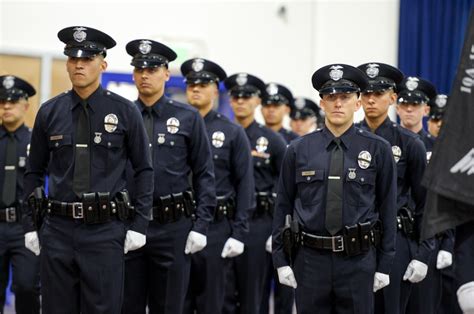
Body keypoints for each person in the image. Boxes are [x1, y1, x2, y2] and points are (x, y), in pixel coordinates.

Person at [23, 26, 153, 313]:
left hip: (104, 231)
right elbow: (33, 172)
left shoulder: (124, 111)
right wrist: (30, 225)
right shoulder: (50, 111)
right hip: (57, 229)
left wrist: (139, 224)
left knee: (102, 308)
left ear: (103, 64)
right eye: (73, 59)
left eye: (87, 59)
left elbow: (144, 169)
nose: (79, 65)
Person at [273, 63, 397, 314]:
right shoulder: (298, 150)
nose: (338, 103)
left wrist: (384, 264)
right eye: (331, 97)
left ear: (358, 102)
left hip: (358, 260)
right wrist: (280, 260)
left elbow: (388, 209)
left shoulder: (378, 149)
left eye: (345, 96)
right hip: (309, 260)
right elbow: (283, 206)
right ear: (322, 104)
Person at [122, 40, 216, 314]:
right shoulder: (122, 115)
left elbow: (204, 174)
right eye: (139, 69)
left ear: (166, 73)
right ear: (133, 74)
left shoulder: (187, 117)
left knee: (170, 307)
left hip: (173, 227)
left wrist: (201, 225)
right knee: (128, 305)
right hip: (128, 223)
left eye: (152, 69)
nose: (145, 75)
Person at [356, 63, 434, 314]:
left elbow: (426, 205)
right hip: (354, 241)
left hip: (396, 240)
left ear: (392, 98)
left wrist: (423, 255)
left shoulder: (410, 144)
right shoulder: (349, 139)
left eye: (378, 94)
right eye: (366, 94)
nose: (371, 100)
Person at [180, 57, 255, 314]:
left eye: (203, 84)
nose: (196, 89)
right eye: (191, 84)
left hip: (216, 227)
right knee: (176, 301)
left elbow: (245, 184)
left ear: (215, 89)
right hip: (176, 223)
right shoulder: (174, 125)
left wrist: (239, 232)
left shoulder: (232, 132)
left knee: (212, 301)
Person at [223, 73, 287, 314]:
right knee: (222, 293)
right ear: (230, 100)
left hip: (258, 223)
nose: (241, 101)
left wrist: (278, 231)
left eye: (247, 96)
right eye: (236, 96)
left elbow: (286, 189)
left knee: (253, 295)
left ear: (257, 101)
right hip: (224, 219)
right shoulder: (220, 133)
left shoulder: (272, 140)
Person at [395, 80, 455, 314]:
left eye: (415, 104)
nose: (409, 109)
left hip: (428, 240)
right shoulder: (385, 143)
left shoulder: (438, 148)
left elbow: (445, 198)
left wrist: (447, 244)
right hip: (396, 238)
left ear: (426, 109)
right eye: (405, 103)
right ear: (397, 107)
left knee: (423, 306)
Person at [0, 75, 40, 314]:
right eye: (3, 101)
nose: (6, 106)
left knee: (27, 287)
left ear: (25, 106)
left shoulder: (36, 141)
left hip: (25, 227)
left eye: (12, 102)